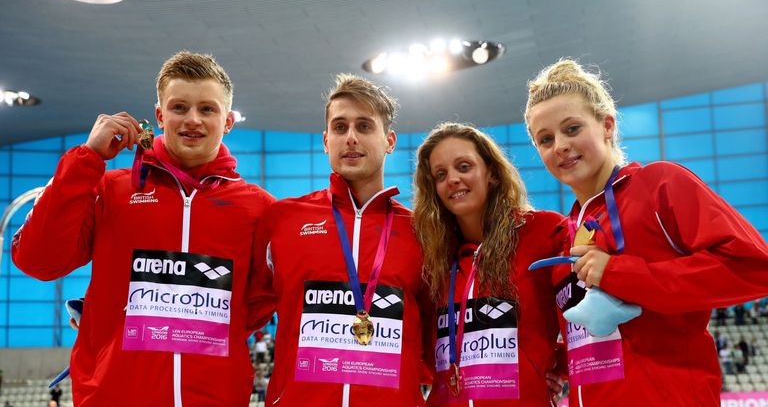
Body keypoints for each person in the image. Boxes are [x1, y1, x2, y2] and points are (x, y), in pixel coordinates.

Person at [12, 51, 275, 406]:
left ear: (227, 121)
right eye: (179, 107)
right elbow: (38, 261)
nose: (192, 119)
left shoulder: (258, 207)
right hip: (113, 395)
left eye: (207, 109)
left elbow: (258, 304)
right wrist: (87, 158)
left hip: (215, 396)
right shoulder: (112, 190)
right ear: (159, 116)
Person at [524, 58, 768, 406]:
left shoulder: (659, 186)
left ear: (607, 125)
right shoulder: (567, 233)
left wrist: (620, 272)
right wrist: (557, 363)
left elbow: (754, 266)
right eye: (545, 139)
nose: (559, 145)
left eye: (572, 128)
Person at [250, 74, 434, 406]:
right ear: (325, 140)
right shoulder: (284, 219)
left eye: (364, 127)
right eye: (340, 127)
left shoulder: (421, 230)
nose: (350, 138)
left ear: (390, 140)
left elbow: (441, 333)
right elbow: (241, 313)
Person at [412, 123, 566, 406]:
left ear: (492, 173)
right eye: (441, 174)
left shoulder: (543, 231)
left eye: (464, 166)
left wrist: (553, 364)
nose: (453, 180)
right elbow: (421, 346)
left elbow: (586, 317)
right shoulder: (433, 257)